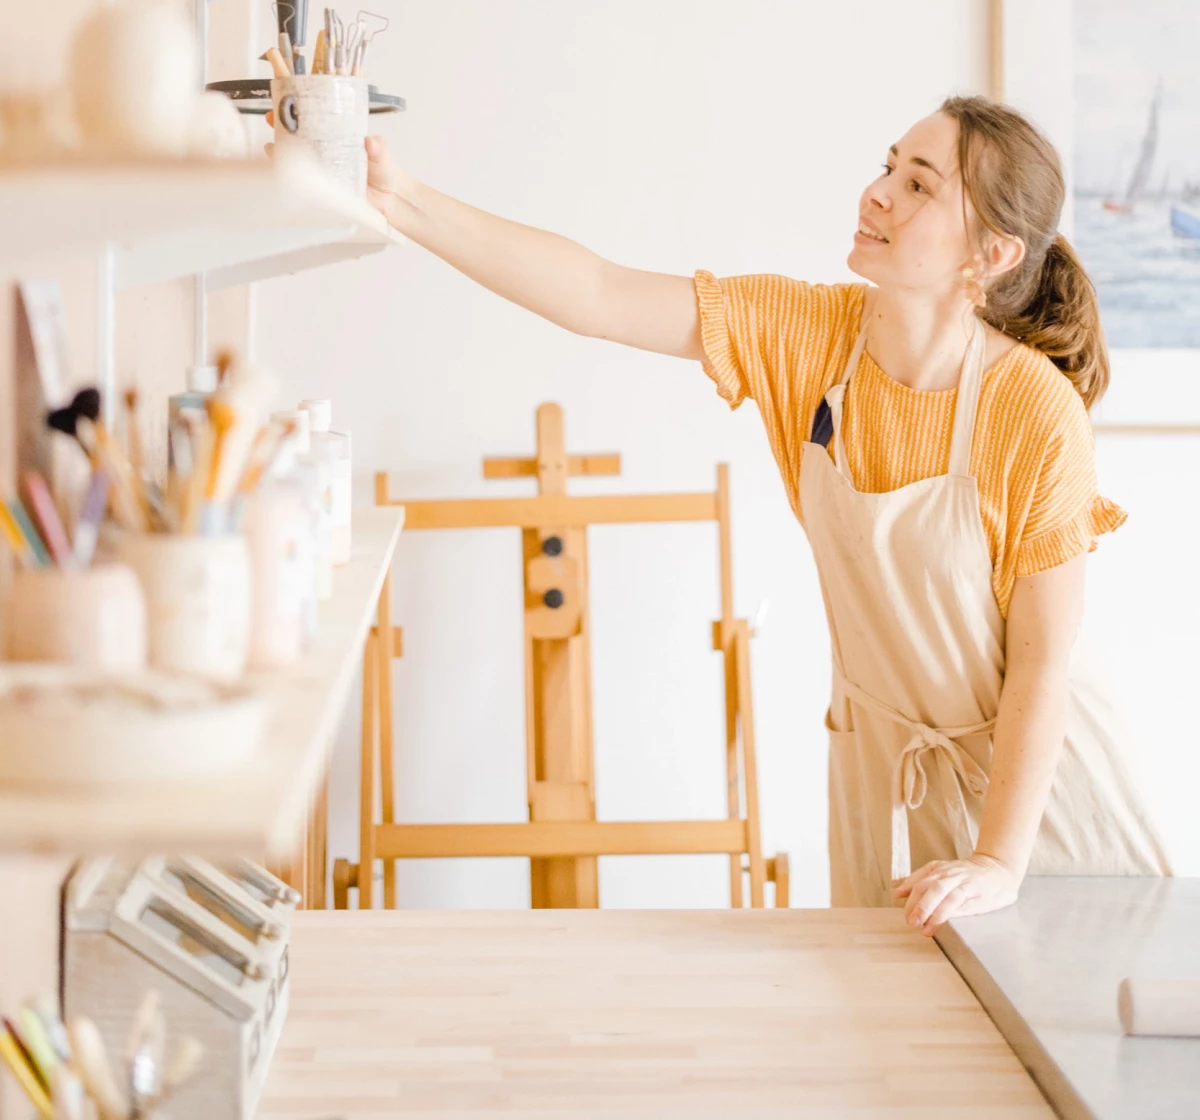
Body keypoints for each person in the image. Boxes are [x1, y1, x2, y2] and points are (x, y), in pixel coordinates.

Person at [363, 93, 1169, 931]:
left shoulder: (1033, 411)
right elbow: (597, 292)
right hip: (885, 783)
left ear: (990, 253)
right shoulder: (808, 335)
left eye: (920, 185)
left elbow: (1043, 663)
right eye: (889, 165)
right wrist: (402, 200)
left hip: (1037, 816)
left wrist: (999, 861)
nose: (879, 192)